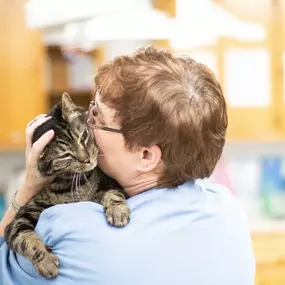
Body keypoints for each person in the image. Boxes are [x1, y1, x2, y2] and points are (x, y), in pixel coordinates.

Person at [0, 46, 255, 285]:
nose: (87, 124)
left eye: (97, 117)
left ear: (146, 156)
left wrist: (29, 188)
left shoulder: (69, 228)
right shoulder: (229, 212)